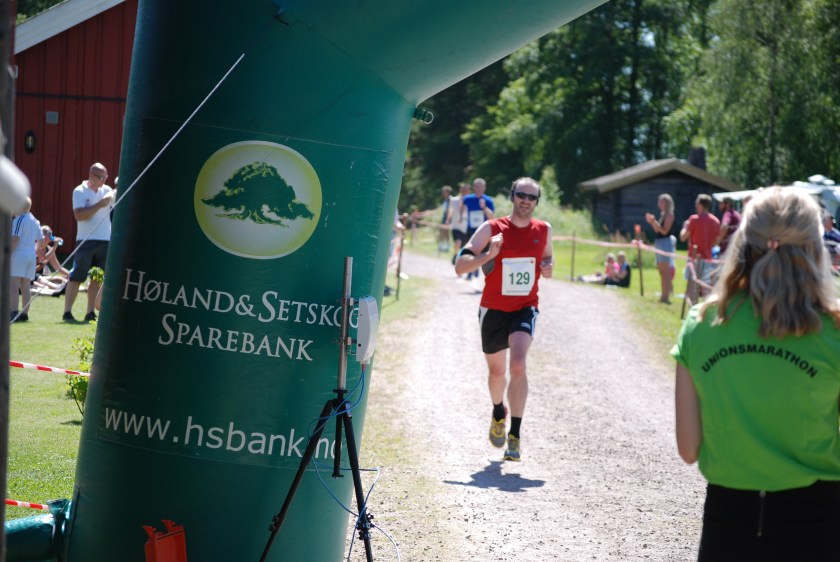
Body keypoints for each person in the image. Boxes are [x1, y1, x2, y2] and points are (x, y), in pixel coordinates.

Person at [673, 187, 840, 561]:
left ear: (743, 244)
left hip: (727, 523)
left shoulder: (701, 323)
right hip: (820, 525)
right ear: (815, 248)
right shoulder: (835, 330)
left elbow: (688, 448)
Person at [454, 177, 553, 462]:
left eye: (532, 197)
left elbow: (547, 258)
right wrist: (488, 254)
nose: (526, 201)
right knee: (497, 373)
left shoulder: (544, 230)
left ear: (536, 202)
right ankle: (499, 410)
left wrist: (548, 267)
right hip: (493, 309)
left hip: (525, 307)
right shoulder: (491, 228)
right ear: (512, 196)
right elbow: (460, 266)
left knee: (518, 365)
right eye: (521, 195)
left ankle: (515, 436)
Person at [64, 163, 115, 322]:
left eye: (105, 177)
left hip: (105, 240)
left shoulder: (107, 190)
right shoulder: (79, 191)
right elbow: (79, 216)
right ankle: (67, 312)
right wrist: (100, 204)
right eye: (101, 177)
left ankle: (90, 312)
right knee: (76, 277)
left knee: (97, 278)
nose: (104, 180)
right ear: (91, 176)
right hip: (85, 240)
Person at [10, 197, 45, 322]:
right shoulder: (35, 221)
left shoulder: (19, 220)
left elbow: (15, 239)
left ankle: (14, 311)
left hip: (19, 254)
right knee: (25, 285)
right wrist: (33, 250)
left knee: (13, 284)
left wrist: (8, 253)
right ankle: (25, 313)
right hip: (30, 255)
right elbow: (41, 240)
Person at [680, 194, 720, 300]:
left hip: (694, 257)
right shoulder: (715, 221)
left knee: (692, 285)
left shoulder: (694, 219)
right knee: (706, 287)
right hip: (708, 258)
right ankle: (705, 308)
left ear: (700, 205)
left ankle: (693, 307)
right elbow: (716, 242)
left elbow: (683, 237)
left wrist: (684, 227)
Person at [458, 178, 495, 280]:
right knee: (471, 251)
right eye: (477, 186)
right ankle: (470, 271)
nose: (478, 189)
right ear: (474, 188)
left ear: (484, 188)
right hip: (471, 229)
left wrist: (484, 207)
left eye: (480, 187)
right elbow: (461, 205)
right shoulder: (468, 198)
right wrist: (460, 217)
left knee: (483, 252)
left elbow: (492, 216)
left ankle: (478, 268)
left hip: (484, 230)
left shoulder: (488, 200)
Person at [645, 193, 676, 303]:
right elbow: (657, 230)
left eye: (661, 202)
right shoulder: (663, 214)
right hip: (659, 242)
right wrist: (652, 222)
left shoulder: (670, 215)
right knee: (661, 271)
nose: (659, 204)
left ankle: (666, 297)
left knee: (666, 271)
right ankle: (663, 295)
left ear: (667, 203)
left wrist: (654, 221)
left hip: (665, 243)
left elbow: (664, 231)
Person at [448, 183, 470, 265]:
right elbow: (450, 211)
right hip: (456, 225)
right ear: (460, 190)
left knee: (464, 245)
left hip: (465, 226)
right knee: (458, 242)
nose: (464, 192)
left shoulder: (470, 201)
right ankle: (455, 254)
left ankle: (460, 258)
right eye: (463, 190)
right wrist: (448, 219)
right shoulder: (454, 200)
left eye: (466, 190)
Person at [438, 185, 453, 252]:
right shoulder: (446, 199)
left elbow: (450, 210)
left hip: (447, 218)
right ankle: (444, 245)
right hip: (445, 217)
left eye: (444, 192)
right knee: (444, 232)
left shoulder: (450, 199)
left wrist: (448, 219)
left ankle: (444, 246)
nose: (443, 193)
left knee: (444, 232)